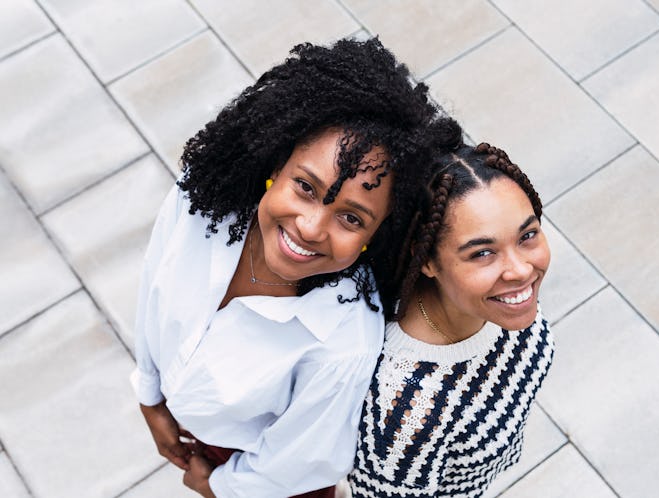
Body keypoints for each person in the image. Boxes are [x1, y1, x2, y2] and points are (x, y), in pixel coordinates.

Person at [131, 38, 447, 498]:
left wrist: (218, 487)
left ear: (376, 235)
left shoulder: (342, 343)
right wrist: (150, 395)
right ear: (277, 164)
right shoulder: (201, 204)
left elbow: (297, 463)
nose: (312, 227)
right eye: (305, 186)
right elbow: (154, 283)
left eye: (351, 217)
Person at [347, 141, 555, 497]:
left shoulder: (498, 304)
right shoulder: (407, 409)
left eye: (527, 235)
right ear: (426, 260)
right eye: (483, 253)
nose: (521, 270)